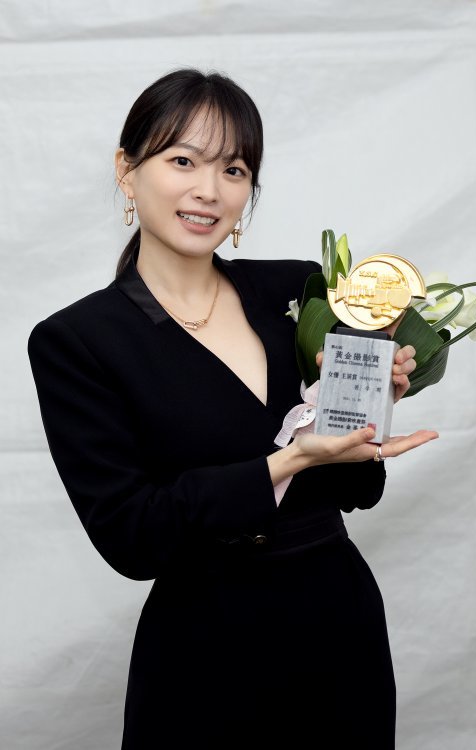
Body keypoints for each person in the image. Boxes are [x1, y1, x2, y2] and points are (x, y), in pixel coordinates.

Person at [28, 68, 437, 749]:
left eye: (234, 169)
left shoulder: (297, 292)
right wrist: (288, 460)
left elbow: (355, 490)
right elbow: (132, 536)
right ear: (127, 172)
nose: (209, 191)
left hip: (338, 626)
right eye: (182, 161)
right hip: (205, 647)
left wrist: (363, 408)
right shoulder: (78, 340)